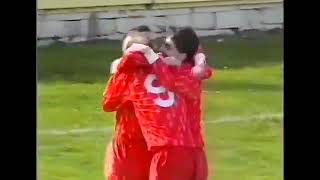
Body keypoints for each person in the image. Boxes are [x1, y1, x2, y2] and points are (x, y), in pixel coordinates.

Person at [113, 27, 214, 180]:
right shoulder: (190, 71)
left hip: (174, 154)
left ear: (182, 55)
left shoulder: (182, 75)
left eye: (167, 47)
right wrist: (200, 60)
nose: (161, 50)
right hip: (193, 154)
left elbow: (170, 81)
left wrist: (150, 57)